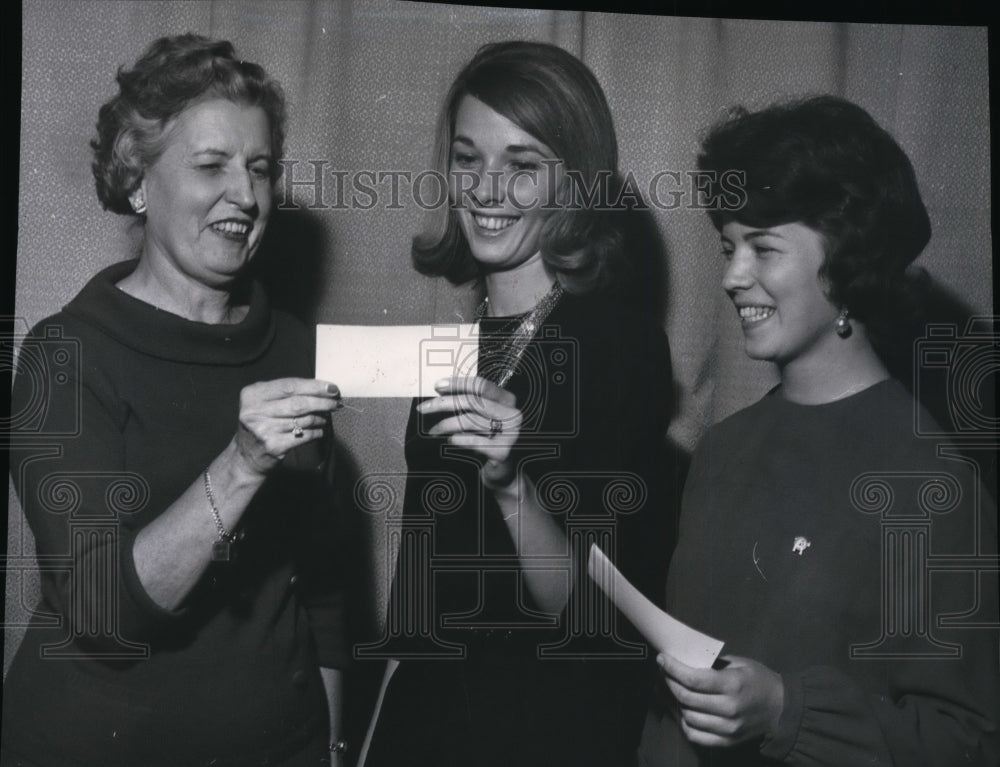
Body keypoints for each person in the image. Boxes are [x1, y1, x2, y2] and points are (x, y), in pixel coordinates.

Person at [3, 35, 350, 767]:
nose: (246, 195)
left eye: (259, 168)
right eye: (211, 165)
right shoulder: (64, 352)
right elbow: (101, 611)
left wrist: (330, 741)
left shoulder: (294, 345)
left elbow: (319, 585)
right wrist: (241, 464)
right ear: (136, 180)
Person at [638, 95, 999, 766]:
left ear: (846, 259)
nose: (731, 276)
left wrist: (786, 710)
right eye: (728, 246)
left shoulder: (931, 480)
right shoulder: (722, 448)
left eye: (763, 248)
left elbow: (970, 741)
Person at [360, 41, 674, 767]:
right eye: (468, 158)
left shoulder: (617, 345)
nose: (486, 189)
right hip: (421, 727)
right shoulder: (456, 341)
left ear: (574, 182)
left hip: (543, 731)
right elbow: (421, 586)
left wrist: (508, 484)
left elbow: (585, 615)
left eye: (522, 165)